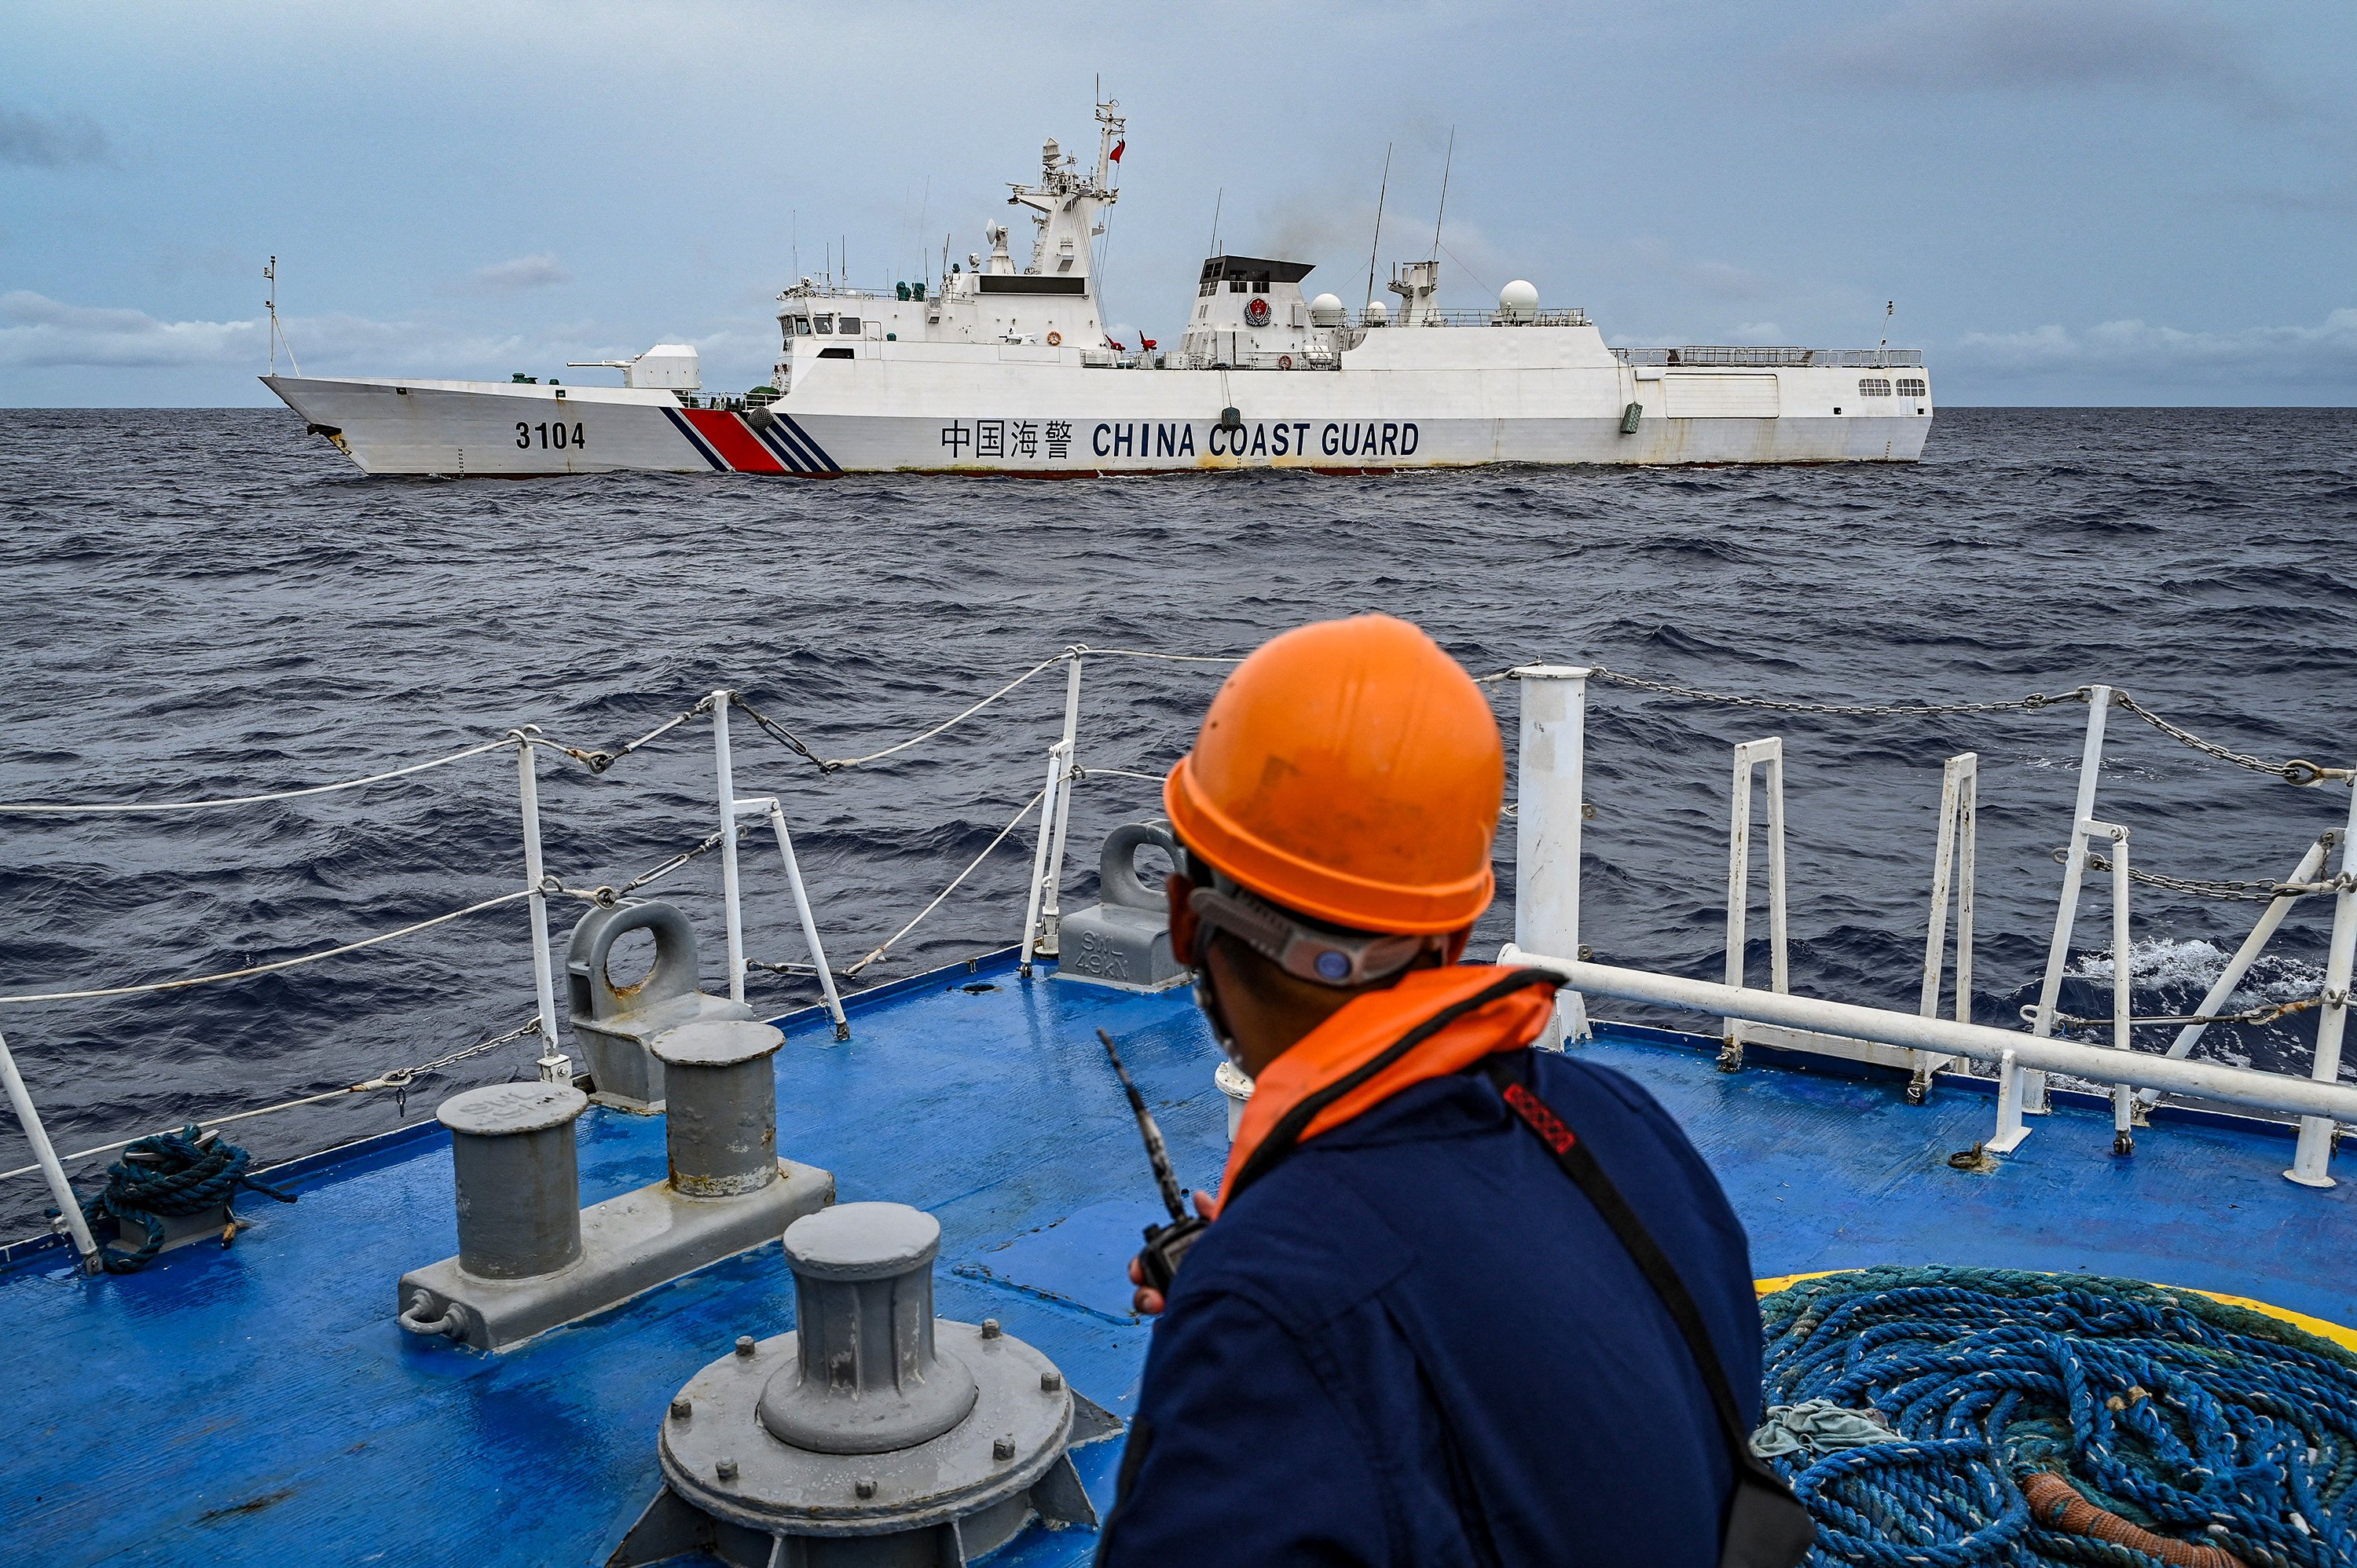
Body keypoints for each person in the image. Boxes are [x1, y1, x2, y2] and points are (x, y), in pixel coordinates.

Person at [1094, 614, 1772, 1568]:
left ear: (1180, 916)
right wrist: (1271, 1258)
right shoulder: (1624, 1123)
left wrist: (1257, 1293)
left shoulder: (1259, 1317)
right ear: (1452, 931)